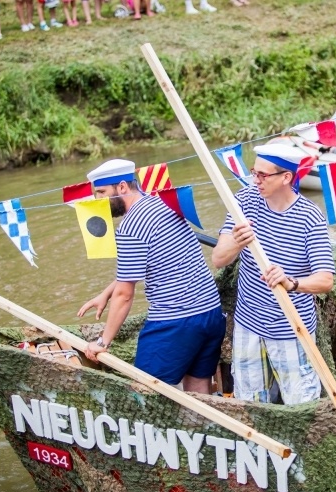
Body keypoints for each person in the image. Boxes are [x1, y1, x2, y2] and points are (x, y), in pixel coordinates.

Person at [79, 159, 226, 394]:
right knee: (198, 388)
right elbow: (157, 261)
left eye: (102, 193)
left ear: (123, 187)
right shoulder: (163, 204)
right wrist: (106, 293)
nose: (98, 202)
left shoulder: (130, 227)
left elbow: (125, 295)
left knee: (144, 391)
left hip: (176, 321)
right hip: (210, 314)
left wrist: (102, 342)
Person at [211, 144, 335, 405]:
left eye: (262, 175)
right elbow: (219, 258)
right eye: (254, 173)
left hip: (292, 327)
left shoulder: (310, 216)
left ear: (286, 177)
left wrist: (291, 283)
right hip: (249, 324)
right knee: (252, 403)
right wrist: (237, 241)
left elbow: (325, 280)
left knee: (301, 402)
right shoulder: (244, 201)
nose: (255, 180)